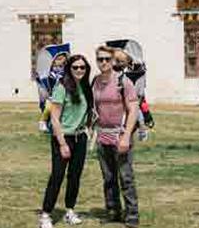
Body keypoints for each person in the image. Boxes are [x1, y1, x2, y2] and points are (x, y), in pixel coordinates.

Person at [38, 54, 92, 228]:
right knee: (57, 176)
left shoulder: (85, 87)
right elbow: (54, 118)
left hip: (80, 137)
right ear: (69, 68)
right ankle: (46, 214)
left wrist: (88, 129)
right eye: (75, 67)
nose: (79, 70)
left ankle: (70, 210)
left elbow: (88, 112)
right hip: (63, 137)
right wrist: (62, 144)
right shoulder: (62, 87)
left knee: (75, 176)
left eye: (82, 67)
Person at [93, 45, 140, 227]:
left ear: (113, 61)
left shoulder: (123, 82)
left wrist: (126, 136)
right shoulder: (95, 82)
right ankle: (113, 211)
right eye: (100, 59)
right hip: (103, 137)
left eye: (107, 59)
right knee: (108, 177)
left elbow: (133, 109)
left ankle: (132, 215)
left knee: (126, 177)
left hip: (120, 135)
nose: (103, 62)